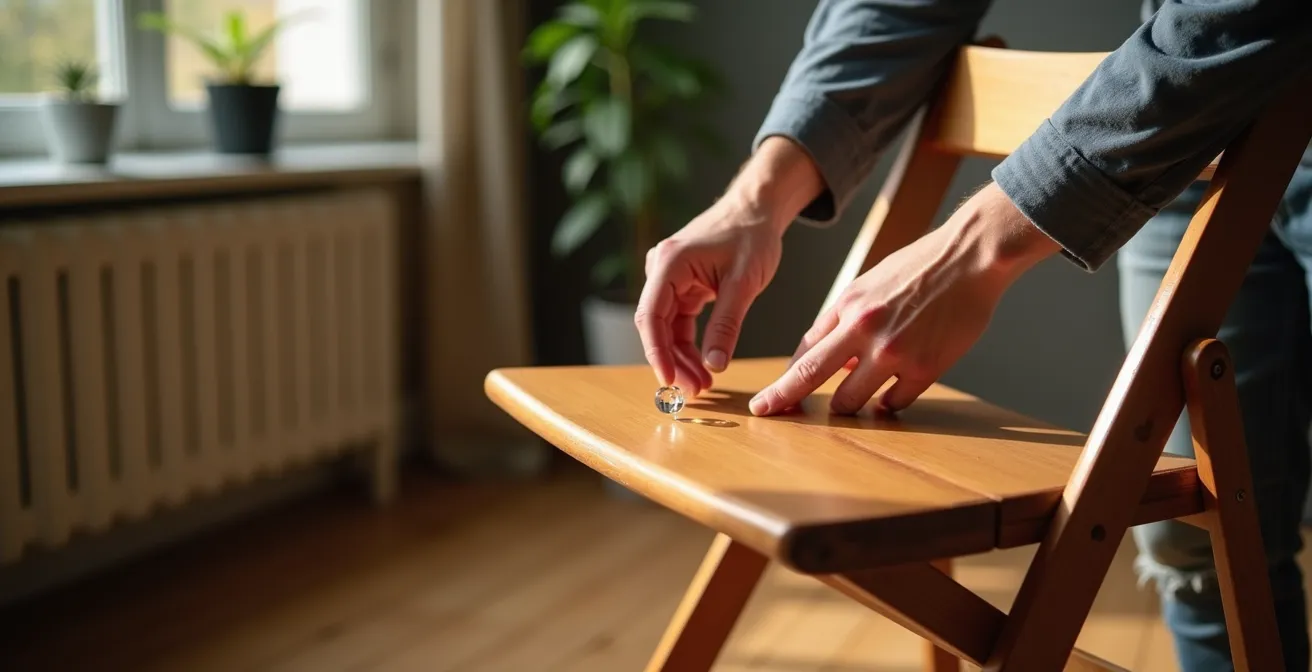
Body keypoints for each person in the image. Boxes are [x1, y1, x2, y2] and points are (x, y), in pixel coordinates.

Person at [633, 0, 1312, 669]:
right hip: (1195, 136)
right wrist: (754, 203)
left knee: (1195, 515)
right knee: (1196, 549)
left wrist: (972, 246)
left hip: (1206, 89)